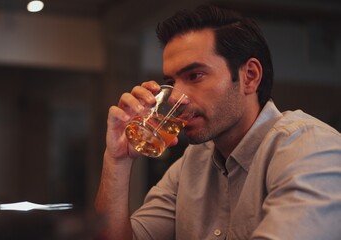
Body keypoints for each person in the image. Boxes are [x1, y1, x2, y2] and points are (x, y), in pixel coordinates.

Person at [95, 4, 341, 240]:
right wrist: (117, 160)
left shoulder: (311, 150)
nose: (177, 98)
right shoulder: (191, 164)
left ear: (250, 77)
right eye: (171, 81)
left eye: (195, 76)